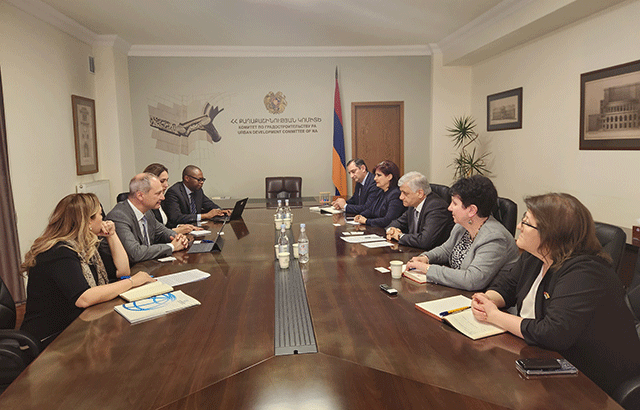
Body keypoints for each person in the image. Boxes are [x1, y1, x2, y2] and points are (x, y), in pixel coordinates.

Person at [471, 193, 640, 397]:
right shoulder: (536, 256)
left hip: (590, 382)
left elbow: (552, 332)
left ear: (550, 234)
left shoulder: (585, 272)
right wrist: (488, 300)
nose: (519, 226)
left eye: (526, 222)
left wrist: (493, 315)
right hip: (542, 358)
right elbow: (507, 285)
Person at [20, 193, 155, 347]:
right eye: (100, 215)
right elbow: (83, 298)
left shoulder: (86, 246)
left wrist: (112, 235)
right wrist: (132, 282)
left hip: (76, 325)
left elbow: (123, 271)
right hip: (50, 338)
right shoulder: (59, 251)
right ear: (88, 220)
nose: (104, 219)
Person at [406, 175, 518, 291]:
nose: (449, 208)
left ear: (472, 210)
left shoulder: (494, 238)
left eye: (454, 203)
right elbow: (446, 250)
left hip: (484, 297)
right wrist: (426, 257)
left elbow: (472, 280)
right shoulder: (462, 226)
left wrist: (428, 269)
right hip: (459, 291)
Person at [104, 173, 189, 269]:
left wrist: (179, 238)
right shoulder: (119, 216)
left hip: (147, 268)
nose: (163, 197)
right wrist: (171, 247)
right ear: (140, 195)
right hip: (128, 273)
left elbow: (162, 232)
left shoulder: (147, 212)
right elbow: (135, 253)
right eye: (158, 193)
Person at [386, 171, 453, 250]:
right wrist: (391, 231)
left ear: (420, 193)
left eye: (405, 193)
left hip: (432, 255)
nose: (401, 197)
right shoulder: (414, 205)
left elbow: (424, 241)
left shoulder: (437, 208)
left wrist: (399, 236)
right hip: (415, 251)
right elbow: (397, 223)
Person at [163, 165, 230, 228]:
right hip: (179, 229)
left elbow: (209, 204)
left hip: (195, 227)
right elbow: (176, 218)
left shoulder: (198, 191)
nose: (202, 182)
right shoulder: (174, 192)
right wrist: (205, 216)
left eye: (202, 180)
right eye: (199, 179)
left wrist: (221, 211)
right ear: (187, 178)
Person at [143, 163, 200, 235]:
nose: (166, 185)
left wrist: (179, 227)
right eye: (162, 181)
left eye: (167, 180)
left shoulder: (160, 199)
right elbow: (153, 234)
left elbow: (164, 225)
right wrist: (176, 230)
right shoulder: (147, 205)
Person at [353, 160, 406, 228]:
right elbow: (371, 209)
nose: (375, 178)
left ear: (389, 177)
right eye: (375, 175)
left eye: (379, 175)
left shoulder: (395, 195)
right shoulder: (381, 191)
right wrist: (361, 215)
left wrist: (367, 221)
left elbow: (388, 220)